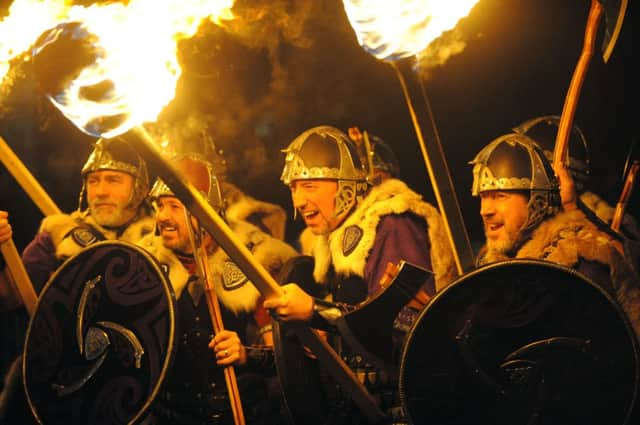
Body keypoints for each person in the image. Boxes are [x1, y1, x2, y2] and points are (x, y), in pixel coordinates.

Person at [264, 125, 457, 423]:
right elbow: (357, 326)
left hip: (401, 410)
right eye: (293, 187)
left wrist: (316, 311)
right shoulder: (335, 240)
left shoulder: (390, 225)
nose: (298, 201)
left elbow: (406, 329)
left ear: (344, 183)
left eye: (310, 185)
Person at [0, 134, 154, 423]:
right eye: (94, 181)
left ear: (140, 188)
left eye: (113, 180)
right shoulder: (59, 236)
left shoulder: (163, 240)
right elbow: (9, 297)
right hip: (63, 385)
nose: (101, 191)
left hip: (136, 392)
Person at [136, 153, 298, 425]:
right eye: (159, 206)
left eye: (174, 206)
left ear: (205, 212)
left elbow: (286, 359)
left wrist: (246, 353)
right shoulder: (141, 267)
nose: (162, 216)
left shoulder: (254, 261)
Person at [469, 132, 640, 337]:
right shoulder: (486, 276)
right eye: (483, 197)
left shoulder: (581, 271)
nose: (485, 210)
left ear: (536, 202)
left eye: (499, 196)